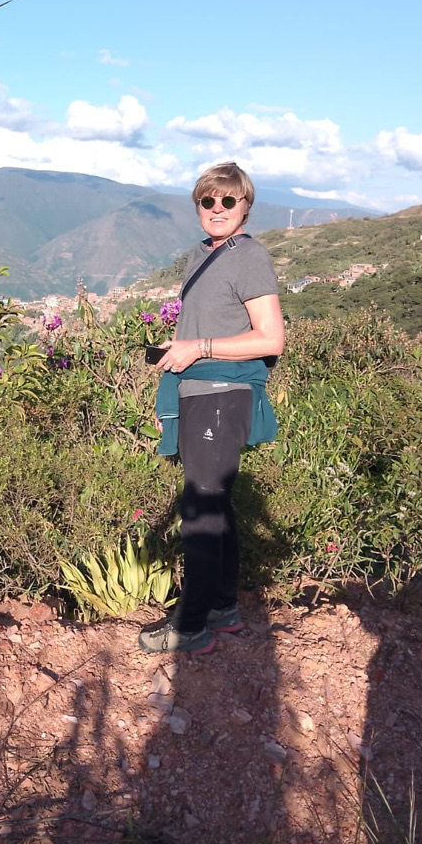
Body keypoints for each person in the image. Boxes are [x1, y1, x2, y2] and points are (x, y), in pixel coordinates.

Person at [138, 161, 285, 655]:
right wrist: (180, 347)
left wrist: (197, 347)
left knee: (200, 509)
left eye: (228, 200)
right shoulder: (204, 255)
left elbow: (271, 338)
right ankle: (223, 606)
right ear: (198, 206)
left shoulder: (248, 256)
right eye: (208, 201)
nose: (217, 209)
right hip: (200, 392)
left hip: (223, 393)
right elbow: (212, 327)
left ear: (245, 206)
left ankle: (191, 624)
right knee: (215, 505)